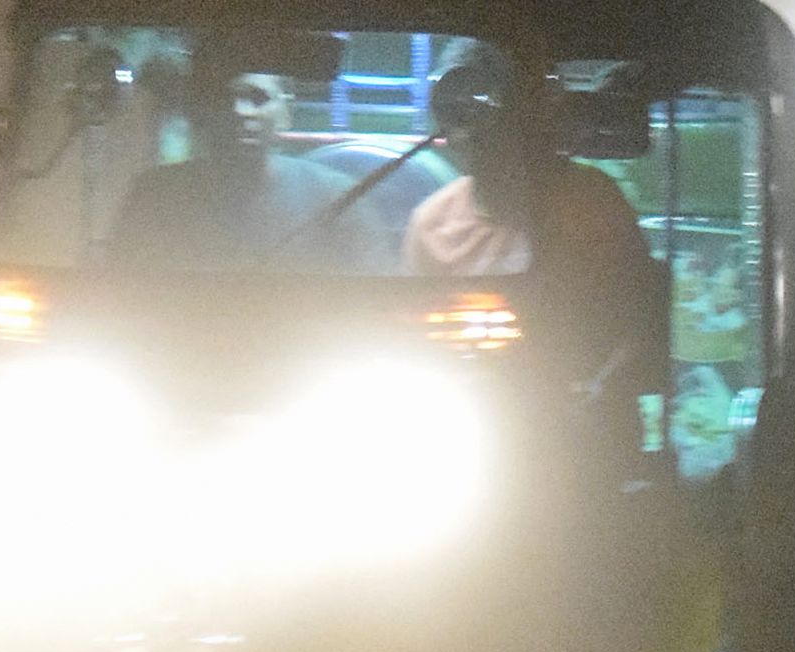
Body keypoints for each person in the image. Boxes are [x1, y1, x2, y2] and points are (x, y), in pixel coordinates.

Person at [402, 46, 667, 405]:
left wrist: (597, 397)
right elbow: (415, 349)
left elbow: (641, 328)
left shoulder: (594, 202)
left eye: (491, 102)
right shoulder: (431, 223)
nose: (474, 126)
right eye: (458, 107)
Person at [103, 64, 387, 269]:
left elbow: (374, 297)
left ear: (286, 112)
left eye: (257, 98)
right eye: (223, 99)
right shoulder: (156, 196)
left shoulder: (338, 197)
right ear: (201, 112)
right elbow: (120, 287)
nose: (240, 110)